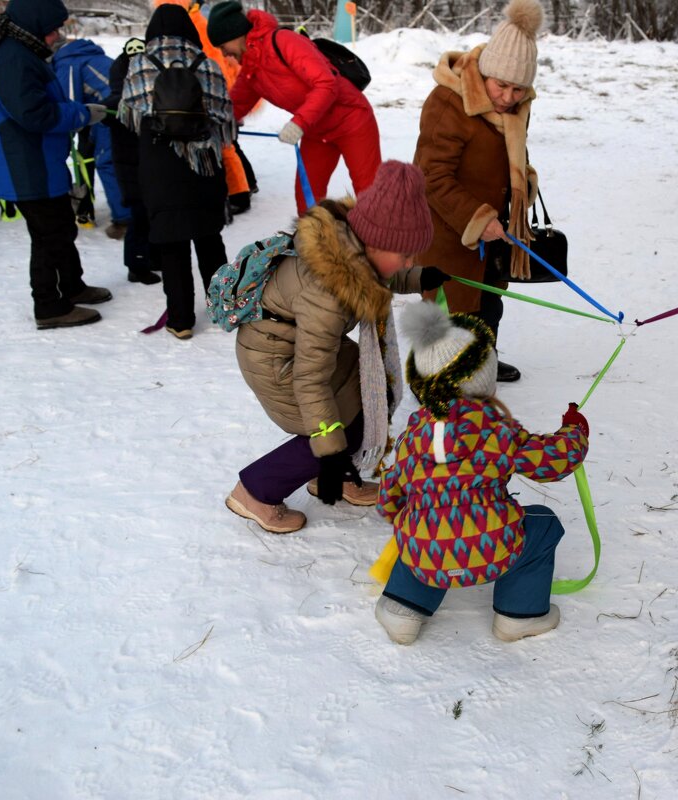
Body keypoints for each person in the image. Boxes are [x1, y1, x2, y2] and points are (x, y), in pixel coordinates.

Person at [225, 161, 450, 535]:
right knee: (332, 431)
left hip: (299, 346)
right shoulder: (327, 292)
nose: (409, 262)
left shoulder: (353, 244)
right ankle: (256, 490)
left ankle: (337, 474)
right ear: (375, 243)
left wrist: (417, 277)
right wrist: (330, 448)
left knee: (368, 400)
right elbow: (310, 381)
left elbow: (377, 273)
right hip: (276, 360)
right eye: (405, 257)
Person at [373, 301, 590, 645]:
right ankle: (519, 616)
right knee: (543, 524)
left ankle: (402, 608)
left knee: (418, 526)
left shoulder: (412, 435)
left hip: (424, 556)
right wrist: (575, 434)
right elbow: (551, 461)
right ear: (484, 383)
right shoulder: (496, 430)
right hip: (495, 550)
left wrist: (404, 516)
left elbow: (390, 498)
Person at [413, 0, 544, 384]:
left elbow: (510, 153)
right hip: (446, 233)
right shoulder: (448, 102)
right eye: (501, 85)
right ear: (486, 72)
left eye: (518, 88)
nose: (508, 97)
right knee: (447, 309)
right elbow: (430, 175)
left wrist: (524, 180)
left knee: (488, 304)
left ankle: (481, 362)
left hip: (493, 237)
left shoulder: (517, 105)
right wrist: (478, 217)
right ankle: (435, 381)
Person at [0, 0, 112, 329]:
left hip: (36, 159)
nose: (56, 36)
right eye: (53, 29)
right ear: (36, 25)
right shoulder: (13, 58)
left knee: (61, 225)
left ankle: (72, 286)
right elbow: (34, 113)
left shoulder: (22, 51)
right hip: (25, 163)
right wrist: (81, 114)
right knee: (48, 233)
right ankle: (49, 306)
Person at [118, 4, 234, 340]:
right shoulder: (207, 64)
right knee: (209, 237)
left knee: (171, 242)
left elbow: (130, 112)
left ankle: (181, 320)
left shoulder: (140, 64)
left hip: (159, 163)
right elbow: (225, 115)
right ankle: (224, 307)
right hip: (204, 163)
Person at [206, 0, 381, 215]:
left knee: (370, 195)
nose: (224, 55)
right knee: (307, 200)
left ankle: (382, 245)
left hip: (352, 121)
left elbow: (326, 83)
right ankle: (317, 246)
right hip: (317, 131)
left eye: (224, 47)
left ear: (234, 34)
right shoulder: (252, 67)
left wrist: (299, 122)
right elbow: (234, 106)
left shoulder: (284, 41)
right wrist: (211, 124)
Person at [153, 0, 257, 216]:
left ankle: (239, 193)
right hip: (214, 93)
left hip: (211, 95)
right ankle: (245, 186)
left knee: (225, 147)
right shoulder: (197, 22)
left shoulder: (196, 26)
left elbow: (215, 63)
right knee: (229, 145)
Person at [53, 37, 132, 238]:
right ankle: (134, 209)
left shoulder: (68, 62)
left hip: (111, 109)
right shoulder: (91, 56)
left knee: (108, 161)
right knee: (125, 160)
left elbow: (69, 104)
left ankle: (125, 220)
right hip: (127, 106)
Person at [104, 38, 160, 285]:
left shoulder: (151, 101)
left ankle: (152, 256)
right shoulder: (116, 104)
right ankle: (136, 264)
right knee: (138, 218)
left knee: (152, 215)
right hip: (131, 170)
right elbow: (108, 112)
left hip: (149, 168)